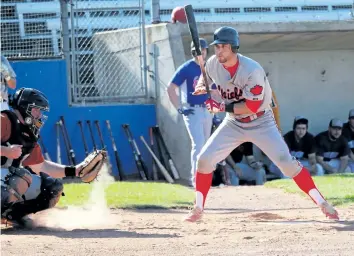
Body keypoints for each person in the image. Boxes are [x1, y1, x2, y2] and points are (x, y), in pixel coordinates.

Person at [182, 26, 339, 222]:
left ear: (233, 47)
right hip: (234, 124)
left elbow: (251, 106)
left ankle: (322, 202)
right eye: (217, 46)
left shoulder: (252, 70)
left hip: (260, 121)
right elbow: (206, 81)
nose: (219, 50)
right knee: (204, 160)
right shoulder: (213, 64)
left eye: (223, 46)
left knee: (286, 163)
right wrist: (202, 87)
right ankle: (198, 208)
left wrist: (221, 106)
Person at [1, 87, 103, 228]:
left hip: (3, 178)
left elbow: (41, 166)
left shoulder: (28, 135)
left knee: (52, 187)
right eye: (36, 109)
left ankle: (12, 216)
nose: (39, 115)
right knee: (20, 176)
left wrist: (75, 170)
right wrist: (5, 151)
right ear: (25, 107)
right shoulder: (4, 120)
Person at [167, 38, 213, 187]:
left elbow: (214, 89)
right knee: (198, 145)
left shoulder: (209, 67)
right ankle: (196, 181)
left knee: (206, 146)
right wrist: (179, 108)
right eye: (200, 50)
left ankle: (205, 179)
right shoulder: (186, 68)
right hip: (192, 110)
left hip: (207, 110)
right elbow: (170, 88)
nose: (203, 52)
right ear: (194, 51)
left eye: (204, 50)